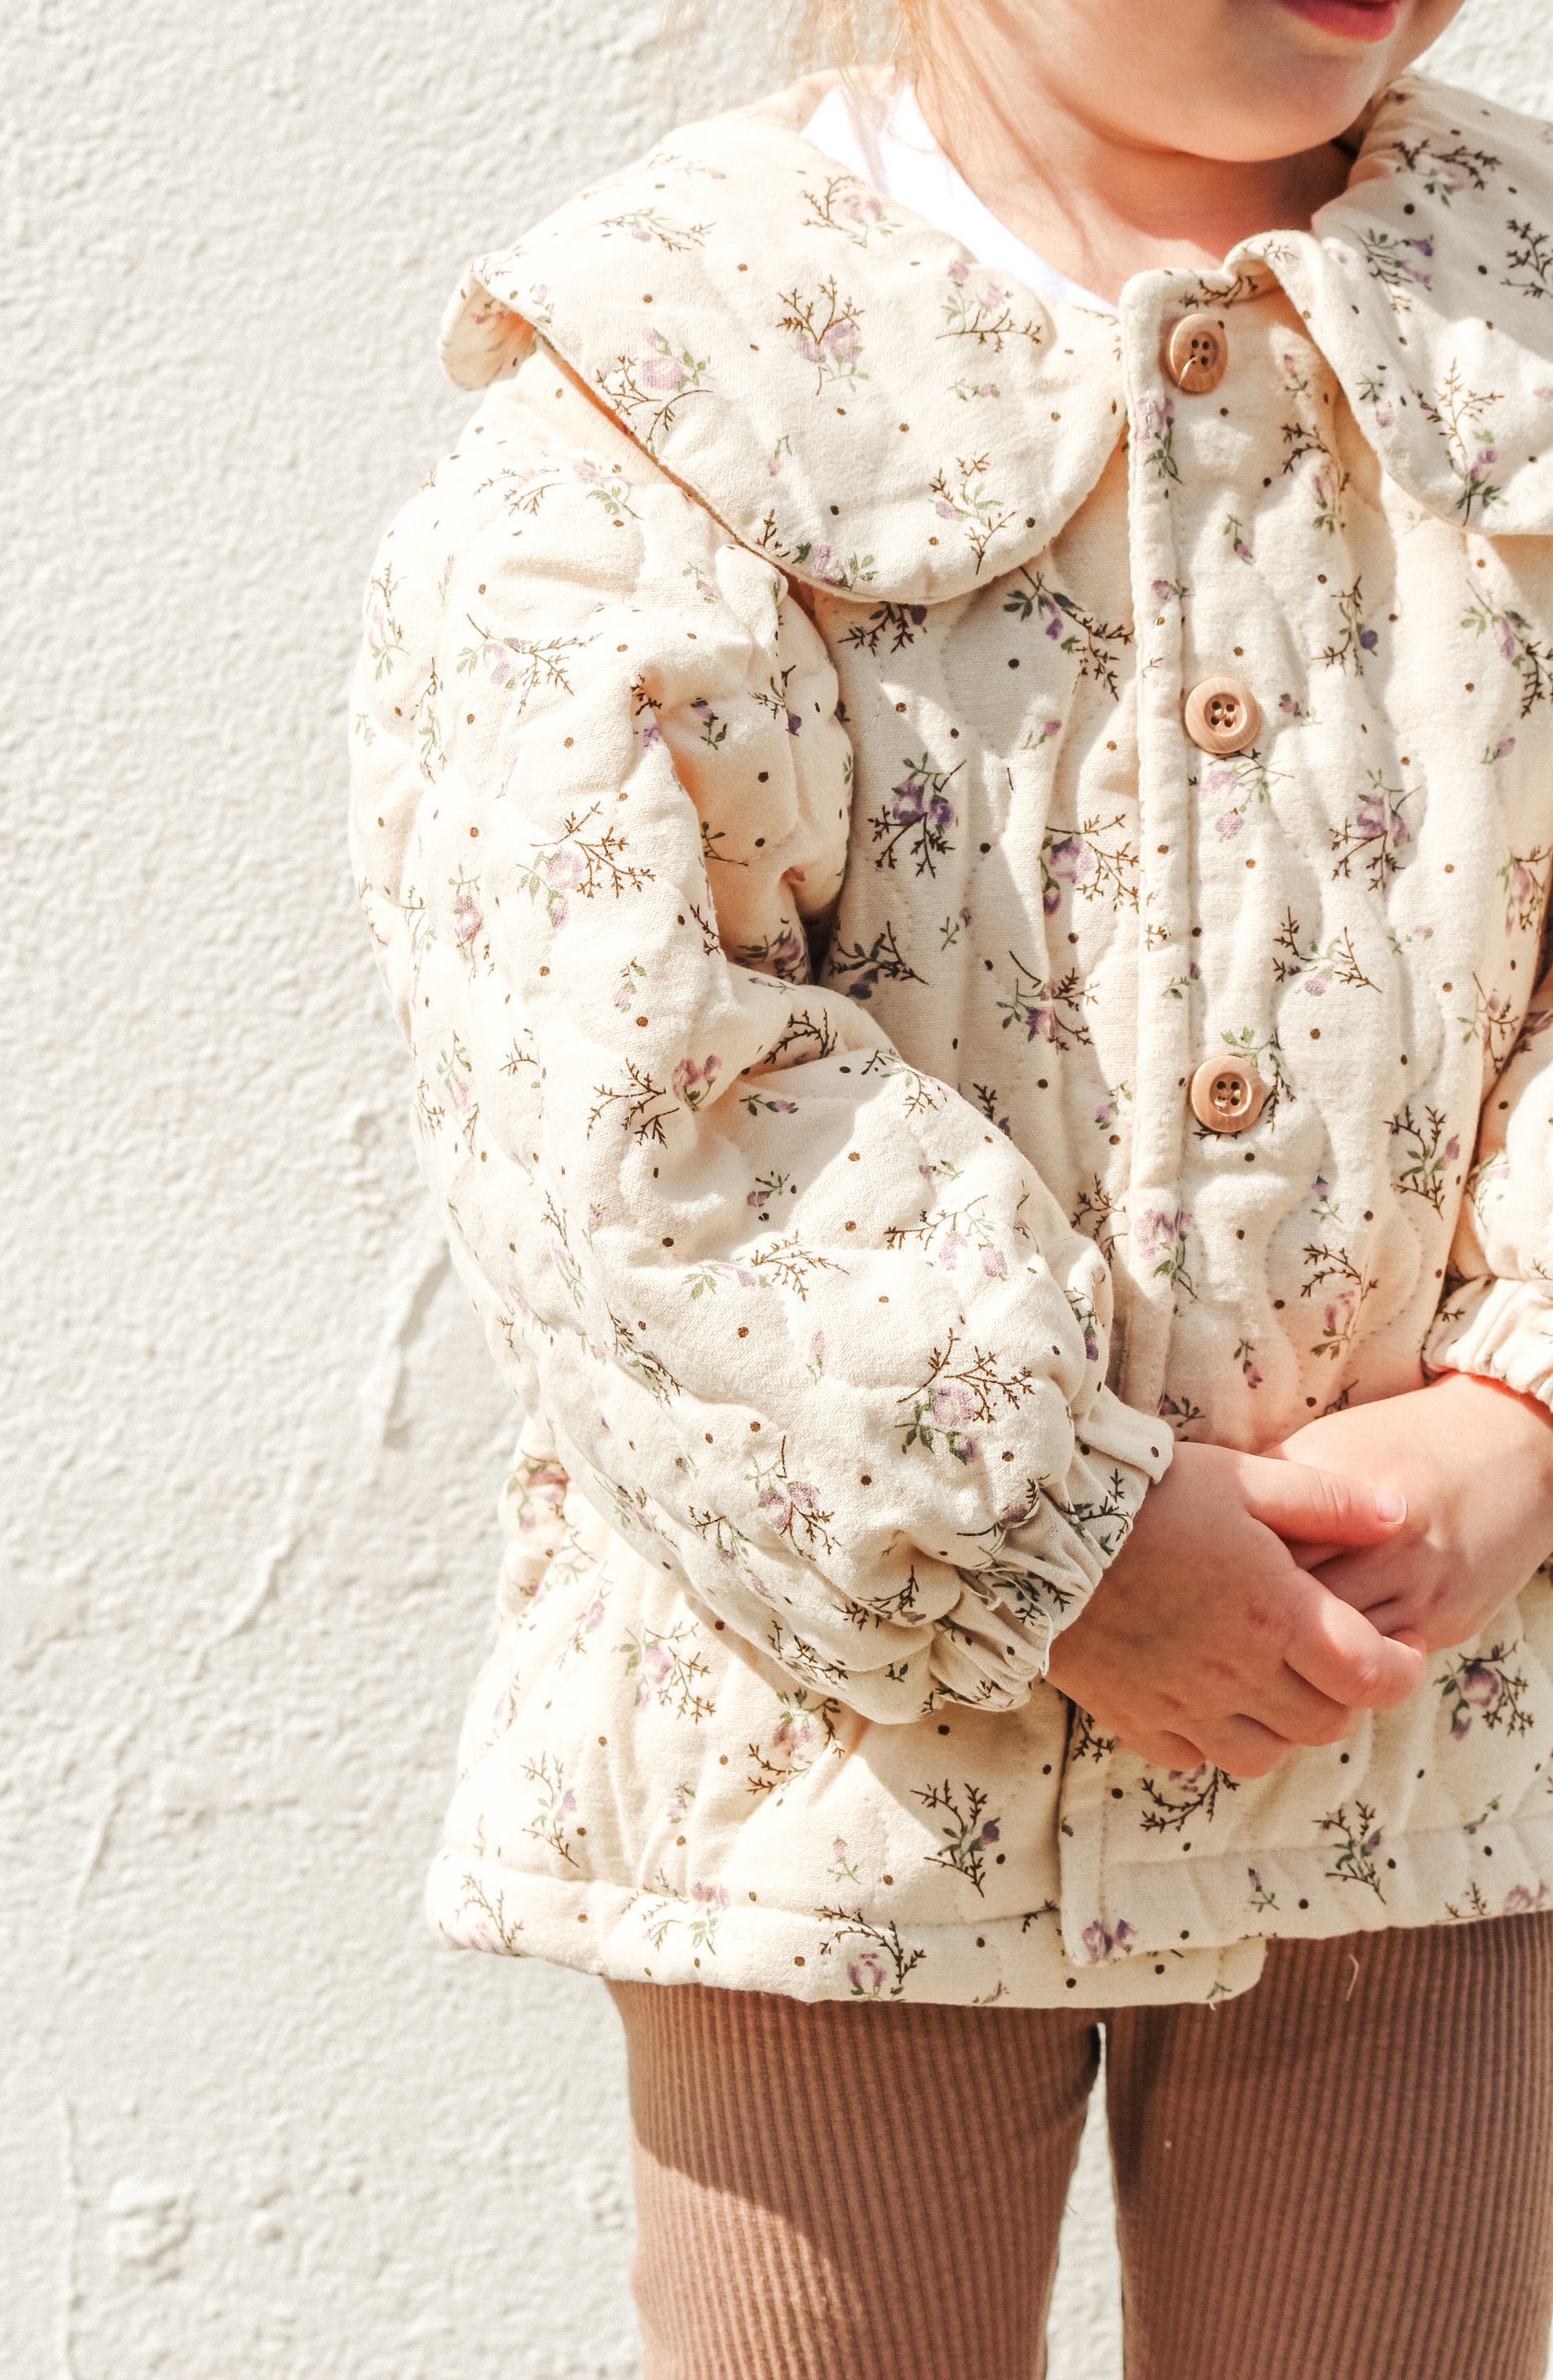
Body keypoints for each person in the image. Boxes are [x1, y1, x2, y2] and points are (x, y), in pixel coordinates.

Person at [349, 1, 1553, 2370]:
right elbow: (607, 1066)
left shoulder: (1512, 301)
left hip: (1410, 1708)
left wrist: (1518, 1412)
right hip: (833, 1760)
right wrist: (1039, 1522)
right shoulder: (671, 364)